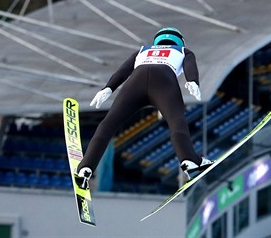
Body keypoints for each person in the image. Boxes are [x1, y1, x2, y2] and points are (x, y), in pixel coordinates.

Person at [74, 27, 213, 189]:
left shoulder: (142, 51)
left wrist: (108, 88)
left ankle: (85, 168)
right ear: (180, 41)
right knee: (177, 122)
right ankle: (189, 160)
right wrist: (193, 81)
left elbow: (123, 71)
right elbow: (190, 67)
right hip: (163, 80)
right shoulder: (184, 51)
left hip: (136, 82)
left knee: (108, 124)